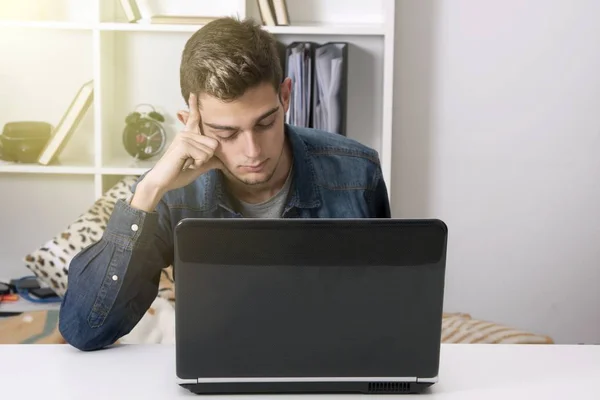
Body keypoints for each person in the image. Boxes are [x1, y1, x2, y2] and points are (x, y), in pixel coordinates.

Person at [58, 17, 391, 351]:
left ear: (286, 96)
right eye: (226, 133)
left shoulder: (356, 173)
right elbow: (86, 331)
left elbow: (385, 306)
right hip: (216, 362)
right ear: (192, 124)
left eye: (265, 122)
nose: (253, 151)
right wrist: (148, 192)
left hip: (329, 360)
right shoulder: (171, 192)